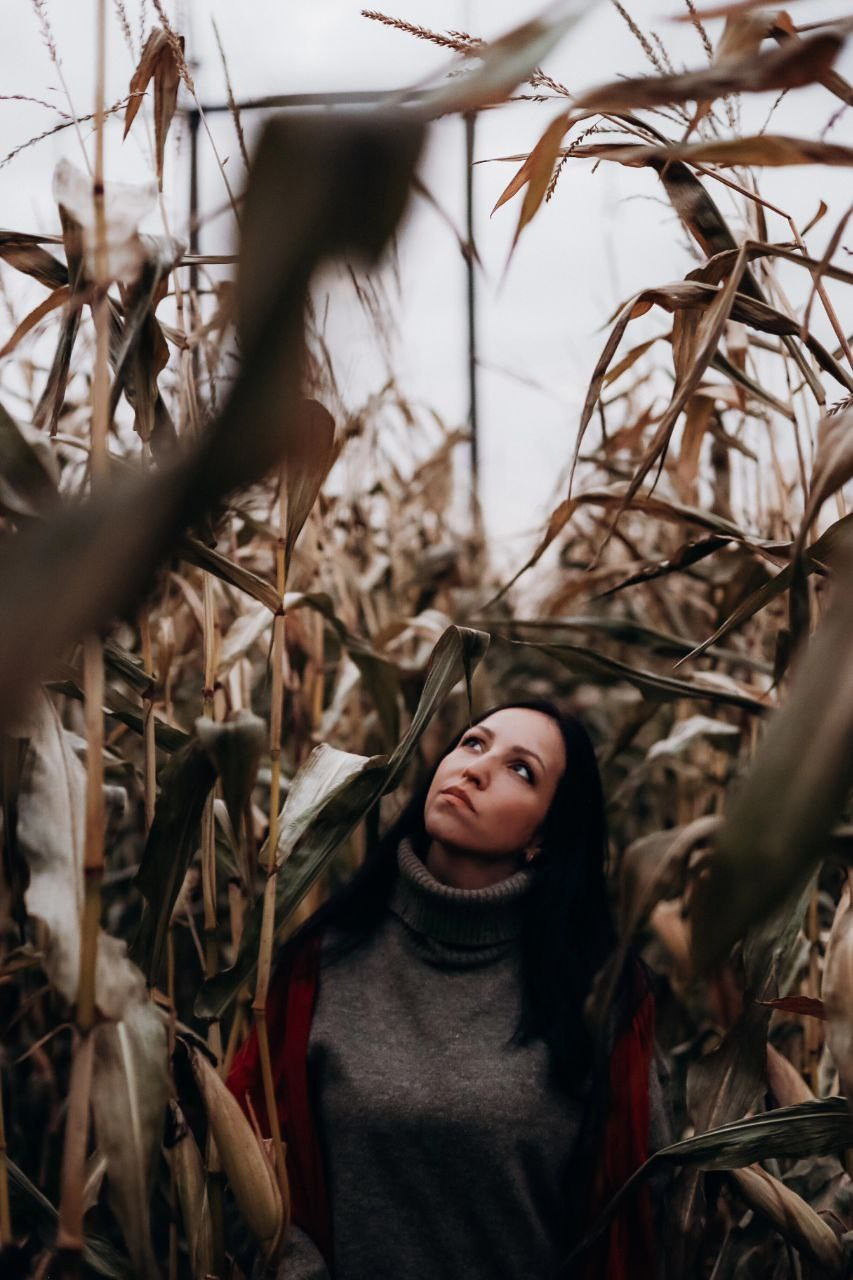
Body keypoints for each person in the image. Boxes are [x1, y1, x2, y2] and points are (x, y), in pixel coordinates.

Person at [227, 698, 671, 1279]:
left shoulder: (598, 994)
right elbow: (244, 1158)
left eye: (521, 769)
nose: (477, 768)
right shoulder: (322, 962)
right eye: (473, 743)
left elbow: (641, 1215)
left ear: (546, 835)